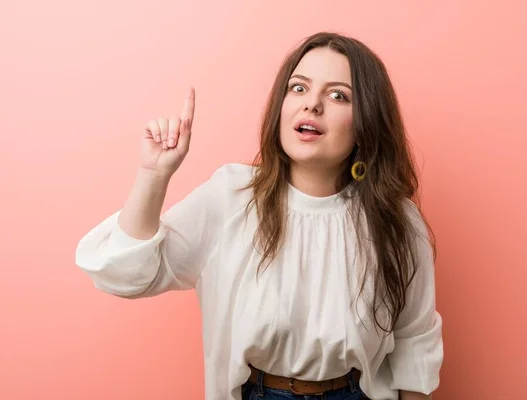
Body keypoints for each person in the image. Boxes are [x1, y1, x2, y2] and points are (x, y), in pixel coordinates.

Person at [75, 31, 443, 400]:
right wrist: (154, 176)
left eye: (338, 95)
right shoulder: (231, 197)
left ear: (367, 121)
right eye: (298, 88)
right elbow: (125, 275)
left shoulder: (396, 219)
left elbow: (415, 344)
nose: (312, 105)